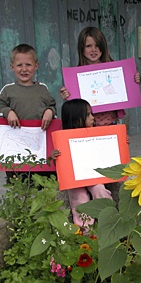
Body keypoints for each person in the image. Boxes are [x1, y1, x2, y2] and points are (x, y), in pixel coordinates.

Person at [0, 43, 57, 183]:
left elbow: (53, 107)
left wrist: (49, 111)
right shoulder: (8, 90)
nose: (24, 69)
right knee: (18, 183)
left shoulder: (42, 89)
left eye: (28, 64)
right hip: (16, 147)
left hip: (40, 146)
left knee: (43, 183)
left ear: (36, 66)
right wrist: (8, 112)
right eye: (19, 65)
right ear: (12, 67)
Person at [50, 98, 113, 233]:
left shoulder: (98, 134)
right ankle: (85, 231)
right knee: (79, 198)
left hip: (93, 176)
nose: (93, 118)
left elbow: (109, 149)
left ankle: (111, 221)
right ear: (77, 119)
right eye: (88, 114)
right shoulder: (62, 138)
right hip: (74, 179)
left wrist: (123, 142)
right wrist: (54, 157)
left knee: (99, 190)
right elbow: (58, 164)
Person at [59, 26, 141, 126]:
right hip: (89, 125)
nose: (94, 49)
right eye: (88, 46)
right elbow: (74, 106)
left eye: (97, 45)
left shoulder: (115, 70)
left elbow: (127, 87)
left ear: (103, 47)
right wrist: (67, 96)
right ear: (81, 48)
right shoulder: (75, 77)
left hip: (111, 122)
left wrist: (135, 80)